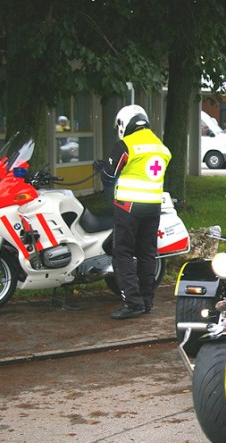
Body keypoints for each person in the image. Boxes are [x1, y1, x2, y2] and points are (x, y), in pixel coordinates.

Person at [94, 105, 171, 319]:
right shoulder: (161, 147)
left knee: (123, 254)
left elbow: (109, 177)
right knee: (147, 254)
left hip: (129, 208)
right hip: (153, 207)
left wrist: (103, 169)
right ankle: (147, 301)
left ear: (124, 123)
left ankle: (133, 303)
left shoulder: (126, 145)